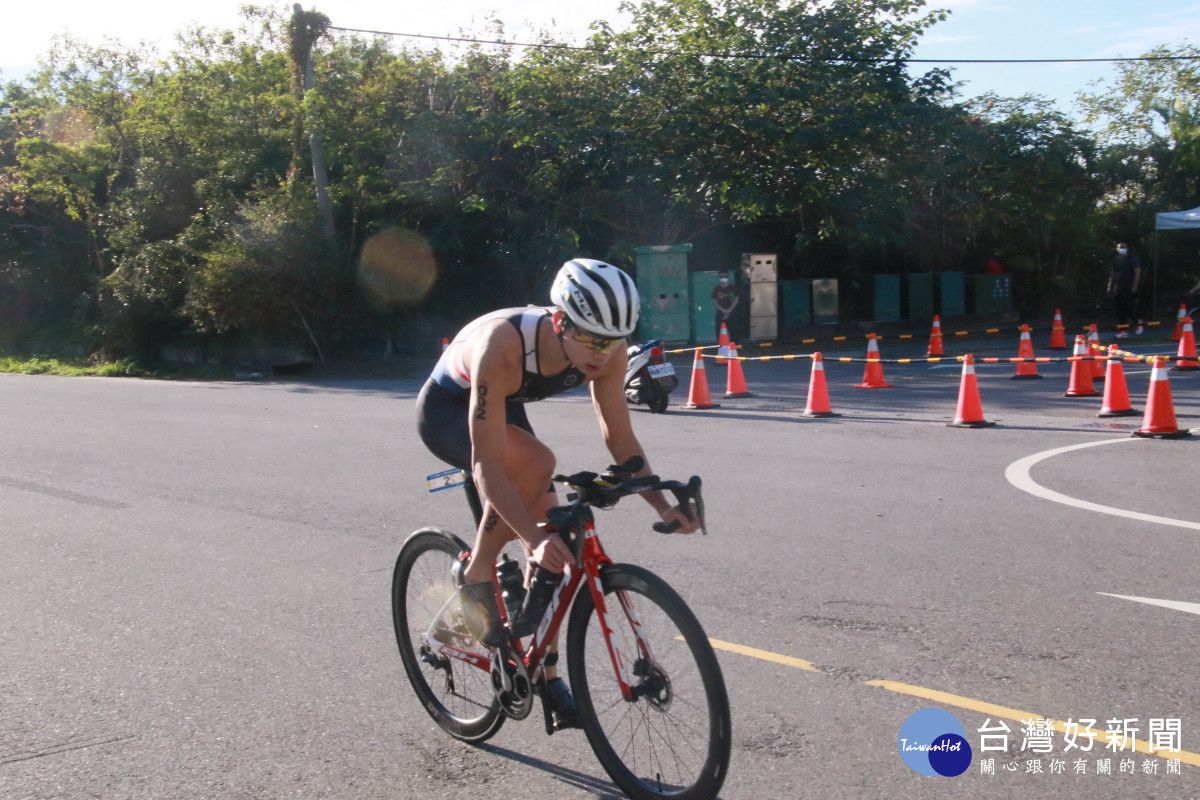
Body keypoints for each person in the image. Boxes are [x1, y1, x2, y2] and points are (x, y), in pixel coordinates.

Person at [415, 258, 700, 728]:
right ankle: (477, 572)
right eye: (590, 337)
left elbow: (621, 441)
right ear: (560, 319)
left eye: (612, 340)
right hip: (450, 410)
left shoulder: (608, 351)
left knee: (561, 553)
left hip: (507, 407)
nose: (601, 352)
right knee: (538, 468)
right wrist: (528, 536)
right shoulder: (502, 346)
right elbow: (487, 463)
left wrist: (664, 505)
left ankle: (544, 675)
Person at [1107, 243, 1142, 338]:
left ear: (1127, 248)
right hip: (1118, 286)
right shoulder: (1116, 259)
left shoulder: (1132, 258)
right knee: (1119, 309)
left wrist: (1135, 285)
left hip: (1128, 286)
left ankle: (1137, 322)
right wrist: (1109, 285)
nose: (1122, 249)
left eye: (1124, 247)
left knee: (1126, 308)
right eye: (1120, 247)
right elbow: (1113, 273)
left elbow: (1137, 272)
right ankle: (1123, 331)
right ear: (1117, 249)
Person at [711, 271, 740, 341]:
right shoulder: (717, 288)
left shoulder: (733, 287)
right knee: (719, 332)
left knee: (734, 332)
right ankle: (721, 348)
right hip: (720, 313)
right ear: (719, 278)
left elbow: (736, 299)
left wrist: (729, 310)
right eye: (721, 277)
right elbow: (714, 301)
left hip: (732, 313)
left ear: (728, 277)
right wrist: (722, 310)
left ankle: (735, 348)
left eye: (725, 276)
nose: (723, 278)